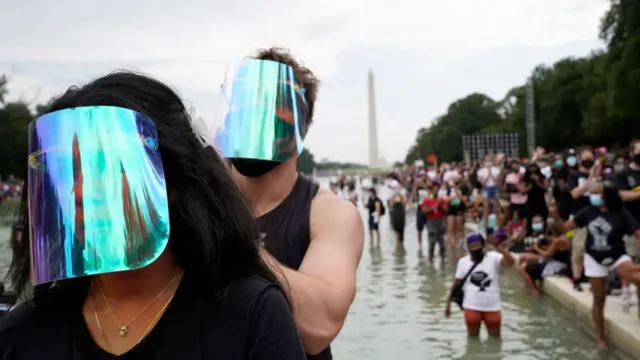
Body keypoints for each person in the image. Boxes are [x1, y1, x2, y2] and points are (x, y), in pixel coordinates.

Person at [0, 72, 306, 359]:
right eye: (66, 172)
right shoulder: (24, 332)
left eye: (104, 165)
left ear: (170, 179)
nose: (78, 193)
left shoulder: (248, 317)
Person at [219, 48, 364, 359]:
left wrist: (234, 234)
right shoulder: (199, 198)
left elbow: (319, 327)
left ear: (300, 125)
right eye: (243, 107)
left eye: (267, 108)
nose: (251, 119)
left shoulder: (331, 214)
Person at [550, 181, 640, 349]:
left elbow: (637, 231)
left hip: (617, 255)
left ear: (606, 197)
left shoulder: (620, 213)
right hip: (594, 257)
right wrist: (555, 214)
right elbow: (564, 228)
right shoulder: (587, 212)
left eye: (597, 193)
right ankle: (600, 338)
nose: (592, 195)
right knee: (599, 298)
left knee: (637, 277)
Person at [444, 232, 515, 337]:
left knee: (495, 339)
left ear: (483, 245)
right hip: (471, 306)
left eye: (477, 245)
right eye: (472, 246)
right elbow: (457, 283)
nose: (475, 248)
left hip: (492, 306)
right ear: (467, 247)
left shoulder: (494, 257)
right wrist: (448, 303)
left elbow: (510, 263)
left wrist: (498, 247)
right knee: (472, 339)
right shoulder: (463, 262)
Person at [567, 147, 597, 291]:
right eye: (585, 159)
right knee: (578, 249)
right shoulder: (574, 176)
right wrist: (589, 180)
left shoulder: (599, 175)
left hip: (596, 215)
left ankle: (593, 279)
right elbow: (575, 194)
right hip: (580, 217)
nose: (588, 162)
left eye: (590, 160)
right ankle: (577, 278)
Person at [616, 139, 640, 318]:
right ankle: (625, 290)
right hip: (630, 222)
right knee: (629, 259)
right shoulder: (624, 173)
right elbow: (622, 195)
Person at [421, 183, 447, 262]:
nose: (435, 191)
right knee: (432, 242)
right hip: (431, 222)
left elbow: (446, 210)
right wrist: (433, 208)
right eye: (434, 190)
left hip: (441, 221)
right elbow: (423, 211)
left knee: (442, 242)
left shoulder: (442, 200)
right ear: (431, 190)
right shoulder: (426, 200)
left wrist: (440, 205)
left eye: (437, 190)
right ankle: (430, 258)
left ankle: (443, 258)